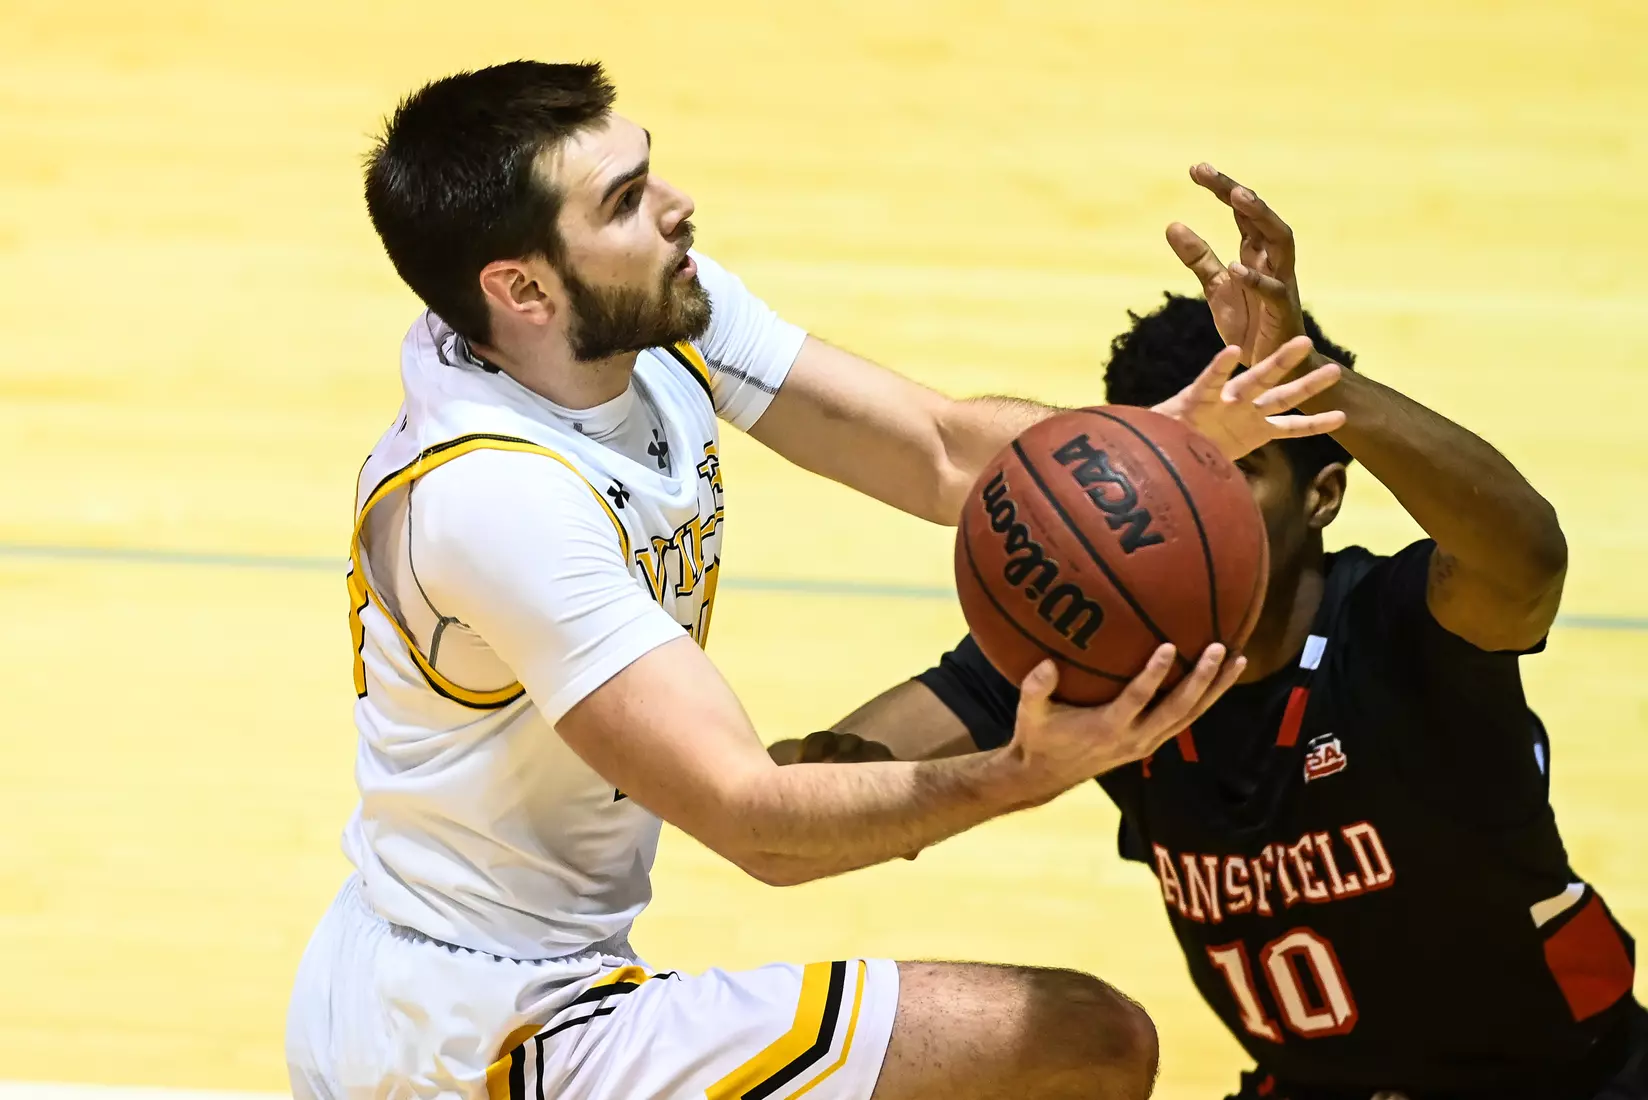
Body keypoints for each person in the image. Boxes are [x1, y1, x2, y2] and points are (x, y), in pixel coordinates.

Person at [283, 65, 1347, 1100]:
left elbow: (939, 452)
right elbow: (760, 823)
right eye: (623, 201)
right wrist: (1026, 768)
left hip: (486, 979)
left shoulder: (645, 322)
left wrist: (1175, 436)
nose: (675, 205)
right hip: (476, 1037)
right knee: (1079, 1042)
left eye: (647, 171)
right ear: (520, 287)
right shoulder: (500, 500)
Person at [782, 168, 1646, 1100]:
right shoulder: (1102, 659)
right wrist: (832, 774)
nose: (1208, 499)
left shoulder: (1396, 629)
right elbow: (802, 801)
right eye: (1191, 465)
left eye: (1248, 468)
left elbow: (1526, 559)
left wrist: (1317, 382)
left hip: (1571, 1082)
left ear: (1323, 495)